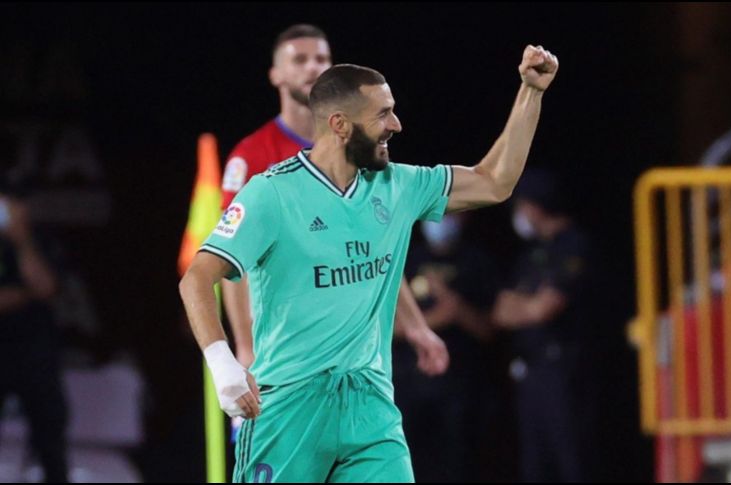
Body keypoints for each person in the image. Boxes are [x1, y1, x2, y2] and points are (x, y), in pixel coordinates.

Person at [180, 44, 558, 482]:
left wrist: (531, 92)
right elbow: (197, 277)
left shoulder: (398, 185)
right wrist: (222, 362)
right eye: (383, 114)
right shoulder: (271, 194)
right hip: (288, 406)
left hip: (370, 408)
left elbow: (494, 182)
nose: (396, 125)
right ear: (339, 125)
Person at [220, 24, 441, 376]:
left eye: (321, 58)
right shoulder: (252, 156)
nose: (312, 67)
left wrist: (414, 324)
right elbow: (230, 262)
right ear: (275, 74)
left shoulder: (360, 147)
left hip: (353, 348)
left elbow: (371, 245)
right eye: (300, 59)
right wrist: (245, 350)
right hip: (286, 349)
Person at [491, 168, 595, 482]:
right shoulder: (531, 254)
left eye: (522, 205)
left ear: (536, 206)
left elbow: (543, 309)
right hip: (530, 371)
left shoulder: (573, 245)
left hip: (565, 371)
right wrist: (529, 306)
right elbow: (499, 312)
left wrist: (528, 306)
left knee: (572, 461)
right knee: (535, 466)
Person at [393, 213, 499, 482]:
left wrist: (454, 308)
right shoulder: (405, 258)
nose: (442, 220)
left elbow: (489, 327)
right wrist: (432, 322)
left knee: (459, 463)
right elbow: (384, 324)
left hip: (461, 386)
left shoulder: (477, 262)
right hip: (409, 384)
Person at [0, 195, 68, 483]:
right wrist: (25, 296)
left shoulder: (37, 240)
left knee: (49, 437)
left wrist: (21, 239)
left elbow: (45, 286)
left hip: (34, 352)